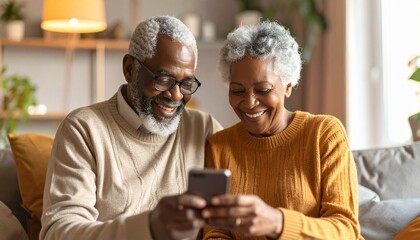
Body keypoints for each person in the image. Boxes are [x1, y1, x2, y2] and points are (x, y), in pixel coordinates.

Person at [40, 15, 223, 240]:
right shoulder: (84, 129)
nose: (175, 95)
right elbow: (58, 232)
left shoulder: (203, 128)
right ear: (129, 69)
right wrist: (149, 227)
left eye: (186, 84)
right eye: (163, 80)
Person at [201, 20, 363, 239]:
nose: (249, 103)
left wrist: (278, 223)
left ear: (288, 86)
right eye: (237, 91)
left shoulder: (324, 134)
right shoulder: (219, 147)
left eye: (263, 89)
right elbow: (215, 232)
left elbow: (346, 230)